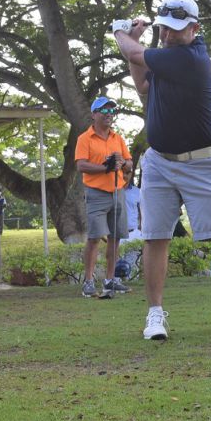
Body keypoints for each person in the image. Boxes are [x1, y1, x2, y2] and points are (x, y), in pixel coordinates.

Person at [111, 0, 211, 340]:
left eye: (176, 30)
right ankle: (155, 315)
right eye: (164, 29)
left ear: (195, 29)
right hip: (159, 162)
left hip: (203, 163)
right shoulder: (166, 58)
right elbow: (142, 84)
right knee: (155, 238)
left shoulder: (191, 59)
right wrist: (136, 45)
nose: (168, 35)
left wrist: (121, 34)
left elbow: (134, 54)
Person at [75, 96, 133, 298]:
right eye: (104, 111)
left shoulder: (118, 138)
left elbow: (129, 163)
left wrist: (122, 164)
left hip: (118, 192)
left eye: (112, 112)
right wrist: (104, 168)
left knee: (115, 238)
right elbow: (81, 165)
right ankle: (89, 282)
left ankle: (110, 280)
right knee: (93, 238)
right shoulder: (85, 138)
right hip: (96, 193)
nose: (109, 115)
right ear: (94, 115)